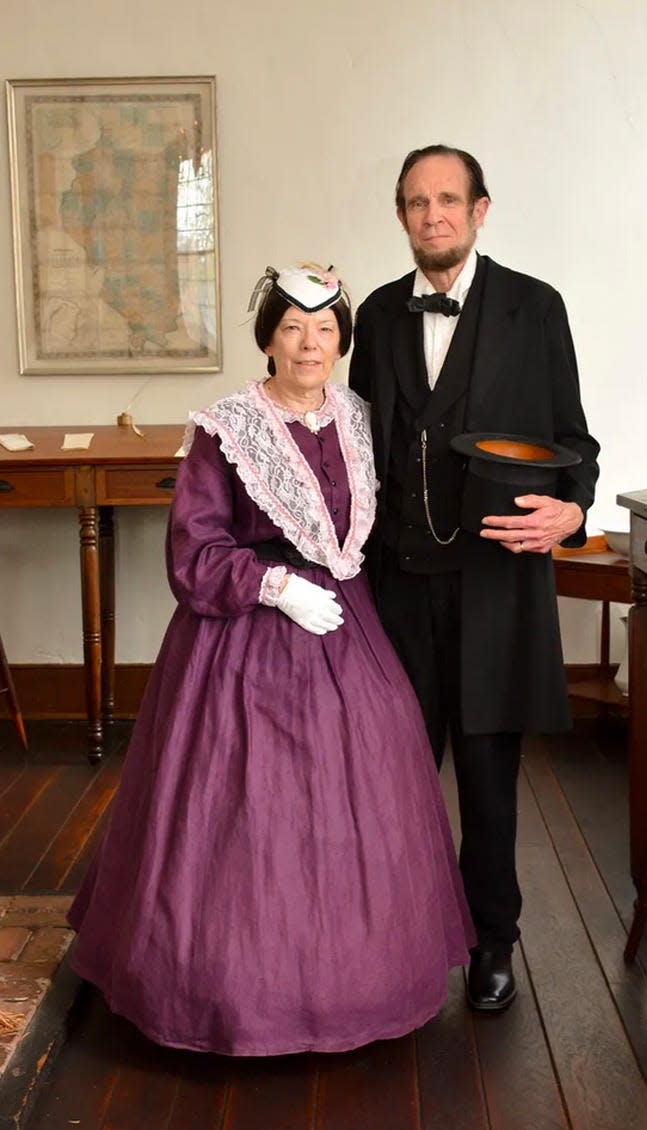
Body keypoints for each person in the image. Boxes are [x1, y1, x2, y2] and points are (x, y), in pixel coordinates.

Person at [67, 264, 474, 1056]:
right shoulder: (227, 428)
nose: (309, 344)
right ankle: (223, 993)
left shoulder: (357, 416)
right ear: (268, 339)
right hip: (244, 639)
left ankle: (362, 980)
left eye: (325, 331)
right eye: (292, 328)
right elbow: (192, 552)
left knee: (369, 785)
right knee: (242, 806)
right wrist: (275, 583)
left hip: (348, 629)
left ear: (342, 343)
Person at [349, 146, 600, 1012]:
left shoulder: (537, 309)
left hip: (498, 582)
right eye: (417, 203)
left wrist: (572, 512)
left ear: (481, 209)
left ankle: (495, 939)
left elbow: (577, 444)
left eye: (449, 200)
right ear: (402, 216)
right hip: (398, 585)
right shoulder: (378, 316)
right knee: (398, 774)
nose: (434, 216)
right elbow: (354, 446)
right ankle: (404, 939)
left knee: (490, 778)